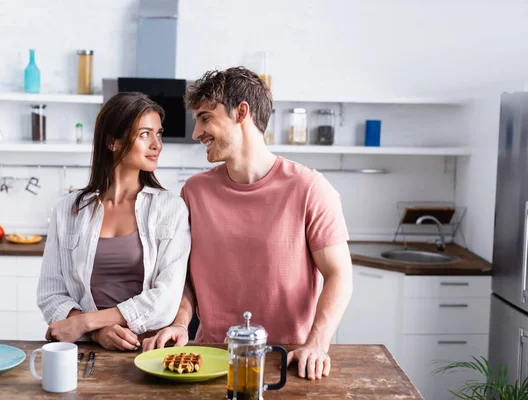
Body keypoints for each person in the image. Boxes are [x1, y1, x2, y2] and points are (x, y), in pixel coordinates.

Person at [142, 67, 353, 380]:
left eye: (205, 118)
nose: (196, 133)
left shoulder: (310, 188)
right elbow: (184, 275)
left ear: (241, 112)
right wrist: (180, 322)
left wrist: (317, 344)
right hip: (211, 357)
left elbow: (339, 275)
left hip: (288, 359)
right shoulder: (194, 192)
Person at [37, 92, 191, 350]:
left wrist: (87, 323)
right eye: (145, 134)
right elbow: (50, 294)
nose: (157, 144)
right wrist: (99, 333)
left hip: (150, 349)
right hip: (88, 352)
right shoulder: (68, 210)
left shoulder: (170, 208)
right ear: (112, 142)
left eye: (158, 133)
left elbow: (165, 301)